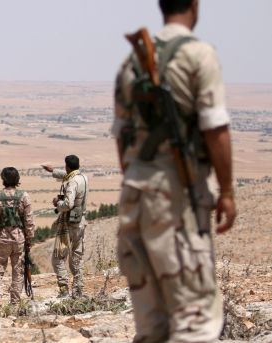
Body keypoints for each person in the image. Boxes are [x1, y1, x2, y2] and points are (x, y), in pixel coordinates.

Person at [112, 0, 236, 341]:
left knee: (152, 327)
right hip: (176, 197)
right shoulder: (199, 55)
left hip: (134, 196)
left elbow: (122, 139)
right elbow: (215, 129)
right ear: (195, 4)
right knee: (195, 323)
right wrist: (226, 191)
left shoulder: (130, 63)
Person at [0, 167, 34, 310]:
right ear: (17, 179)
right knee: (18, 271)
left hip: (2, 239)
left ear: (3, 179)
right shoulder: (24, 196)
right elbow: (29, 221)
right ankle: (15, 302)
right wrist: (29, 239)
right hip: (19, 240)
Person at [42, 155, 89, 298]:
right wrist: (53, 171)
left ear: (67, 166)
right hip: (80, 222)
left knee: (58, 258)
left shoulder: (73, 182)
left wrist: (57, 203)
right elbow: (68, 175)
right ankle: (78, 291)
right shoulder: (83, 178)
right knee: (76, 257)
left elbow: (68, 204)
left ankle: (64, 291)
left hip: (68, 225)